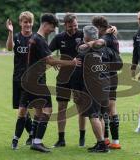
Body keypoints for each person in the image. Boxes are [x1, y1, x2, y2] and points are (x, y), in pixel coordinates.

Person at [20, 13, 81, 153]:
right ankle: (37, 142)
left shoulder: (34, 38)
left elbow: (48, 58)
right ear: (45, 24)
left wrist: (53, 61)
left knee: (39, 110)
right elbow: (50, 60)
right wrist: (71, 62)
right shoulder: (39, 40)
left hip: (31, 79)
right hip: (37, 81)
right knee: (48, 110)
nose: (53, 30)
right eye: (52, 27)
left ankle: (33, 139)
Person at [72, 25, 121, 153]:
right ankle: (103, 141)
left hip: (92, 86)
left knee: (93, 116)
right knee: (100, 116)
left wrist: (76, 88)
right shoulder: (106, 49)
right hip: (106, 85)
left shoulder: (84, 50)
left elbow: (77, 69)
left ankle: (101, 144)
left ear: (86, 36)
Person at [49, 13, 87, 147]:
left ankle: (82, 137)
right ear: (65, 25)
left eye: (75, 26)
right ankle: (61, 139)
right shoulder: (59, 38)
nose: (74, 28)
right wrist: (55, 62)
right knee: (61, 107)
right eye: (70, 26)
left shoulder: (83, 34)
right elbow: (47, 52)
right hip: (63, 78)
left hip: (79, 77)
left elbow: (98, 40)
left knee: (80, 106)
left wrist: (112, 30)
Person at [6, 11, 35, 150]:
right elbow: (9, 48)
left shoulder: (36, 39)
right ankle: (32, 134)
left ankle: (15, 140)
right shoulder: (16, 37)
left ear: (32, 23)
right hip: (17, 78)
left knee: (22, 110)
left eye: (29, 22)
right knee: (23, 110)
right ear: (20, 23)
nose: (27, 24)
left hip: (31, 81)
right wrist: (10, 33)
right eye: (25, 22)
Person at [92, 15, 121, 149]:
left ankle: (113, 141)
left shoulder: (105, 39)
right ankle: (110, 140)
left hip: (107, 75)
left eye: (95, 28)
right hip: (113, 74)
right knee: (108, 108)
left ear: (99, 27)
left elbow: (98, 45)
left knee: (108, 108)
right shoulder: (112, 36)